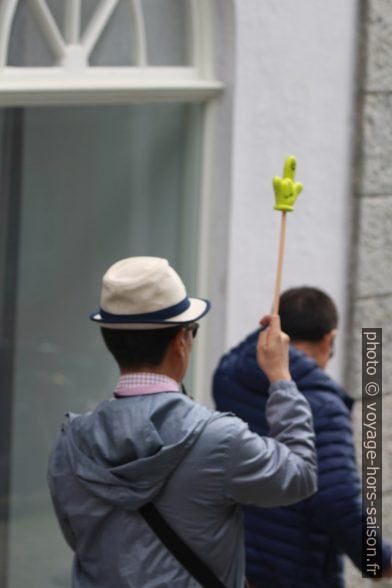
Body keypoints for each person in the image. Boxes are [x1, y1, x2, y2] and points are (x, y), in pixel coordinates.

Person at [47, 257, 317, 588]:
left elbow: (84, 542)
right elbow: (301, 475)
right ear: (180, 342)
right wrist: (281, 377)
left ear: (109, 340)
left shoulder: (70, 442)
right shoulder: (220, 439)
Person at [213, 286, 392, 588]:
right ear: (329, 339)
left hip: (236, 567)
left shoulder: (229, 377)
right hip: (294, 573)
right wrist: (378, 560)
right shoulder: (323, 406)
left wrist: (265, 332)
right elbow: (337, 502)